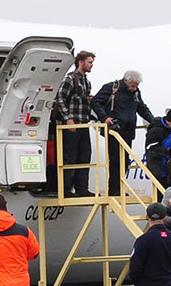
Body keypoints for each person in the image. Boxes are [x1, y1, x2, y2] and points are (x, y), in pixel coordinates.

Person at [90, 70, 158, 196]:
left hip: (128, 131)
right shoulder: (111, 88)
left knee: (125, 161)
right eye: (133, 85)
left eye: (137, 85)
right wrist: (104, 117)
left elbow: (142, 108)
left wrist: (153, 121)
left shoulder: (135, 93)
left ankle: (119, 187)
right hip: (114, 131)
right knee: (115, 160)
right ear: (126, 80)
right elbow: (95, 102)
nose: (135, 88)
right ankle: (114, 190)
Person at [51, 51, 96, 197]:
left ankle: (82, 188)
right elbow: (61, 98)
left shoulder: (86, 81)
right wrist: (68, 118)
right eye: (89, 62)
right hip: (72, 124)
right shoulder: (70, 79)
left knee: (85, 156)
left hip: (83, 123)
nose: (92, 65)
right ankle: (64, 189)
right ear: (81, 62)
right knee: (69, 157)